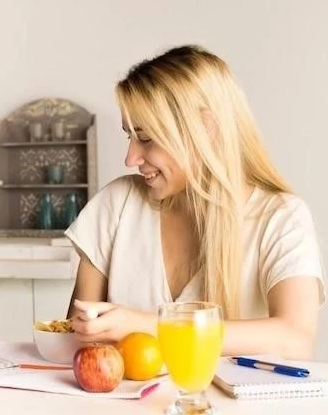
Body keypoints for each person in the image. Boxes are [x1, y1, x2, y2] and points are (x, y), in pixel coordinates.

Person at [64, 44, 326, 360]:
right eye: (129, 136)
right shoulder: (115, 204)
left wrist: (147, 325)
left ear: (207, 128)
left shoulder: (281, 218)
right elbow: (74, 343)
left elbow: (294, 339)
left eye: (146, 138)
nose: (130, 157)